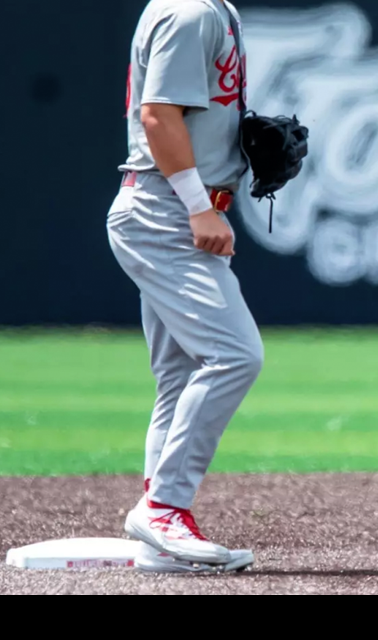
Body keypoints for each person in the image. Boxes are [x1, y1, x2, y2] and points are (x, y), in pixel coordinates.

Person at [108, 0, 262, 573]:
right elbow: (158, 117)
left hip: (167, 203)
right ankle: (164, 507)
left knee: (179, 373)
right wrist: (201, 208)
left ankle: (159, 536)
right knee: (234, 355)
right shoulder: (189, 10)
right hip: (166, 209)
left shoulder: (213, 8)